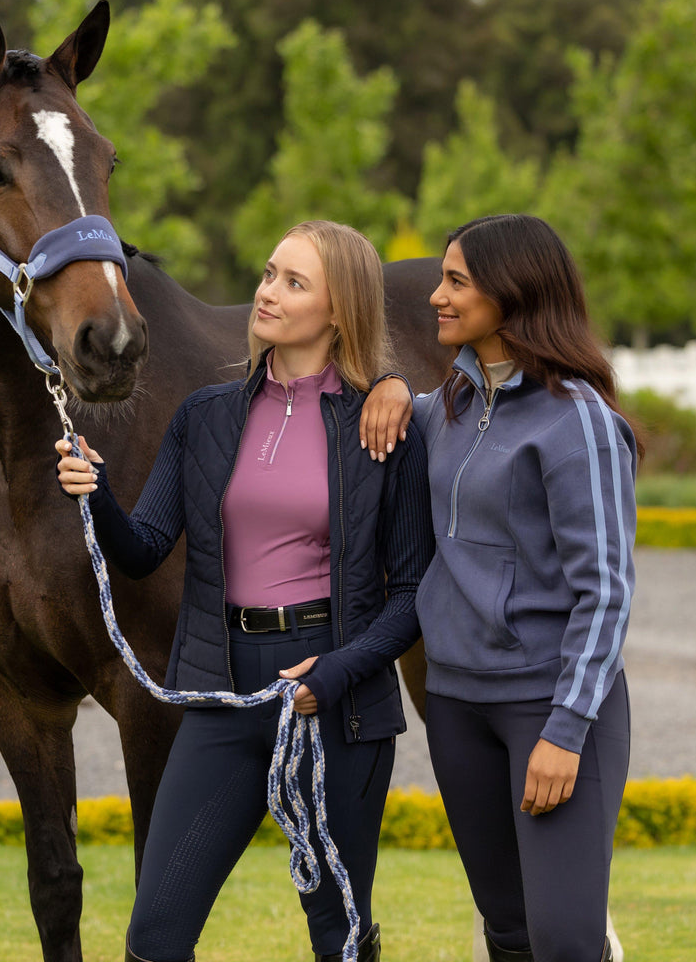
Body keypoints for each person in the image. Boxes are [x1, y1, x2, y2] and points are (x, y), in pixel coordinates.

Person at [57, 219, 433, 962]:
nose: (266, 291)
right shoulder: (206, 416)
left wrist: (337, 672)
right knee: (155, 934)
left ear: (340, 309)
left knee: (340, 936)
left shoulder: (384, 426)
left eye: (294, 282)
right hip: (223, 696)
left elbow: (413, 589)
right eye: (268, 273)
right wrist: (94, 492)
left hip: (336, 696)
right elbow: (142, 551)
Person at [287, 214, 638, 962]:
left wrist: (566, 729)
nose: (436, 298)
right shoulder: (448, 408)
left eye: (456, 282)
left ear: (513, 293)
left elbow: (605, 591)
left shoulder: (580, 421)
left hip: (548, 707)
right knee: (506, 932)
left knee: (567, 941)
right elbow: (388, 417)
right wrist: (387, 382)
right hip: (456, 704)